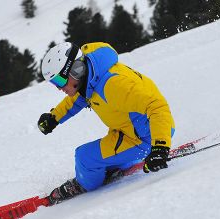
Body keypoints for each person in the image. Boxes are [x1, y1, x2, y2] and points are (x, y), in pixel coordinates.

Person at [38, 42, 175, 205]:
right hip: (128, 130)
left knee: (84, 158)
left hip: (145, 138)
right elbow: (77, 99)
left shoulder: (113, 85)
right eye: (55, 83)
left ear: (76, 69)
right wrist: (53, 117)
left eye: (60, 81)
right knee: (97, 157)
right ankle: (113, 166)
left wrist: (160, 147)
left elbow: (157, 106)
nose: (59, 88)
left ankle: (83, 185)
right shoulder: (91, 78)